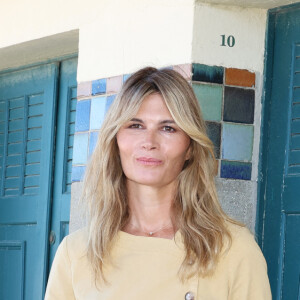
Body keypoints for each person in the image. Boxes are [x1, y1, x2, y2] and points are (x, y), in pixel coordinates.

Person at [45, 67, 272, 300]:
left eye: (168, 128)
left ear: (190, 148)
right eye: (135, 125)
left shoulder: (233, 249)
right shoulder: (76, 253)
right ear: (115, 140)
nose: (149, 142)